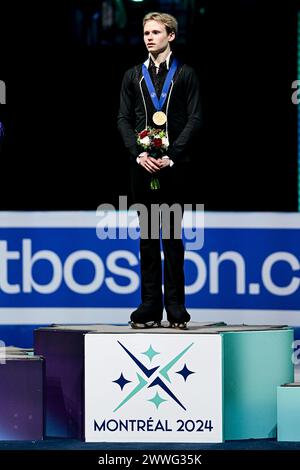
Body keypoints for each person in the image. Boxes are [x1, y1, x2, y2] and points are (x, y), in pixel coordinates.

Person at [117, 12, 202, 329]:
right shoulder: (132, 76)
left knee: (172, 238)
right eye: (146, 33)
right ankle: (149, 306)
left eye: (156, 32)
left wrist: (172, 154)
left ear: (171, 35)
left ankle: (176, 306)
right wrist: (138, 153)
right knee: (147, 239)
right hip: (141, 167)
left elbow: (195, 119)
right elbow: (123, 119)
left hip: (174, 169)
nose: (149, 37)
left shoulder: (186, 75)